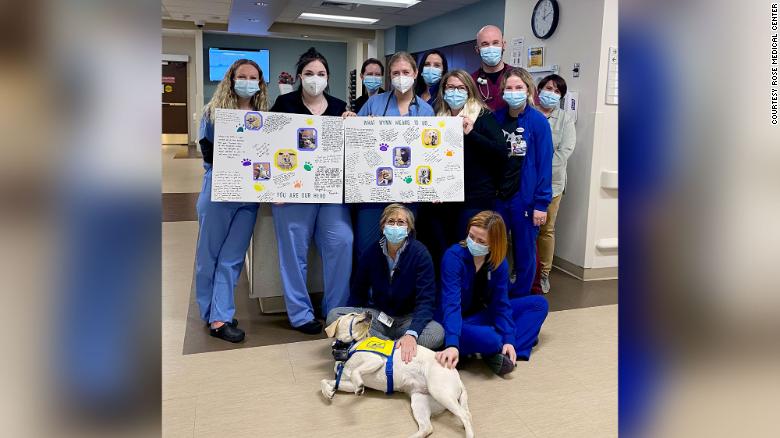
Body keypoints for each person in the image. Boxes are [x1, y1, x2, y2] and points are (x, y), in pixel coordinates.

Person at [269, 48, 353, 334]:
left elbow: (350, 151)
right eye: (308, 74)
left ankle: (336, 310)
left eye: (320, 74)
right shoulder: (284, 103)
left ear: (328, 78)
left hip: (330, 192)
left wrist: (352, 128)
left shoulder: (340, 106)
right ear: (299, 77)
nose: (314, 79)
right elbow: (269, 145)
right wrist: (274, 188)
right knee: (293, 252)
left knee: (342, 242)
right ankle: (301, 313)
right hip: (292, 193)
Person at [195, 59, 268, 343]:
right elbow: (208, 154)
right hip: (218, 192)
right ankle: (212, 314)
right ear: (231, 79)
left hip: (248, 197)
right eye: (242, 76)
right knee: (208, 256)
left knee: (232, 258)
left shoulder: (263, 116)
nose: (247, 82)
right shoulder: (214, 114)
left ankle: (220, 312)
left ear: (260, 83)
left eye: (253, 77)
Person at [344, 52, 435, 261]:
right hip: (373, 191)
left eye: (405, 72)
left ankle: (400, 293)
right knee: (366, 247)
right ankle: (368, 294)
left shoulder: (426, 110)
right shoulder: (375, 103)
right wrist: (352, 120)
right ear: (390, 77)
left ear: (415, 73)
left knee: (403, 249)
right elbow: (356, 145)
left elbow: (430, 153)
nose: (401, 76)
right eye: (396, 72)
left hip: (409, 191)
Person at [327, 204, 444, 362]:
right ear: (383, 227)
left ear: (409, 229)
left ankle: (378, 346)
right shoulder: (371, 253)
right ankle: (394, 348)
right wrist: (351, 318)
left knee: (437, 334)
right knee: (335, 316)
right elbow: (358, 292)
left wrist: (411, 333)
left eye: (401, 222)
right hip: (379, 317)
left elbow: (426, 301)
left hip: (408, 319)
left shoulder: (420, 254)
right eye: (391, 221)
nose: (395, 226)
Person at [435, 211, 549, 375]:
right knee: (491, 338)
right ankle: (499, 346)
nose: (473, 242)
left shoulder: (498, 263)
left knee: (539, 304)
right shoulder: (453, 257)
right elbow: (451, 305)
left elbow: (501, 304)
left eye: (481, 241)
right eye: (471, 236)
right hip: (454, 320)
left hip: (481, 315)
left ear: (494, 244)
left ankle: (503, 350)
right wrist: (452, 342)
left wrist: (509, 339)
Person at [493, 67, 553, 298]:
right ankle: (497, 295)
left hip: (525, 199)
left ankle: (522, 297)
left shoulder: (537, 122)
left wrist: (541, 204)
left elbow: (544, 164)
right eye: (509, 88)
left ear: (528, 90)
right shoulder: (496, 118)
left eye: (519, 88)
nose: (514, 92)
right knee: (496, 250)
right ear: (502, 91)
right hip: (499, 197)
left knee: (525, 253)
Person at [534, 74, 576, 294]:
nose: (551, 93)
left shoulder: (564, 119)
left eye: (557, 91)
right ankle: (523, 270)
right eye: (548, 88)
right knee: (522, 230)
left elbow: (565, 151)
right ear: (539, 89)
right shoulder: (527, 112)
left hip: (553, 184)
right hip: (525, 183)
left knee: (546, 230)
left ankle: (543, 274)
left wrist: (539, 165)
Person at [471, 25, 514, 113]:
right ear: (477, 49)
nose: (491, 48)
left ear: (503, 45)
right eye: (485, 44)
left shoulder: (519, 77)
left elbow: (532, 109)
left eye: (495, 43)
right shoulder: (471, 81)